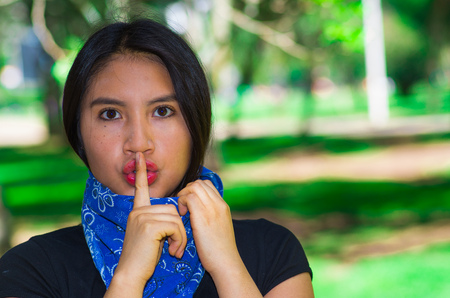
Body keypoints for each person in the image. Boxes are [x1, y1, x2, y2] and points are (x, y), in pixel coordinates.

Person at [0, 19, 313, 297]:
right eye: (110, 114)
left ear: (195, 123)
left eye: (163, 111)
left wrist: (228, 267)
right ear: (77, 130)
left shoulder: (273, 253)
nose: (138, 143)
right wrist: (128, 279)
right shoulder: (30, 271)